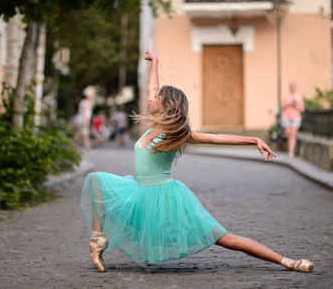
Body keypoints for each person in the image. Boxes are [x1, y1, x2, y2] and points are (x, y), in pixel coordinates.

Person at [80, 49, 314, 273]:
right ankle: (96, 242)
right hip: (140, 196)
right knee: (97, 180)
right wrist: (155, 63)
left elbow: (217, 138)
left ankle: (288, 261)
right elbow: (153, 86)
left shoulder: (176, 133)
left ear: (164, 105)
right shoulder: (154, 123)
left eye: (156, 97)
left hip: (167, 199)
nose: (150, 98)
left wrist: (253, 139)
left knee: (226, 239)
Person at [281, 82, 304, 158]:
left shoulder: (298, 97)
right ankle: (290, 150)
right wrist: (289, 104)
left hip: (296, 117)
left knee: (293, 135)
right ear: (290, 88)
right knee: (288, 134)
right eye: (292, 88)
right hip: (286, 117)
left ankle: (291, 152)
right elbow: (282, 107)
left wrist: (296, 105)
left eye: (294, 88)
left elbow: (302, 109)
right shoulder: (286, 97)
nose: (293, 89)